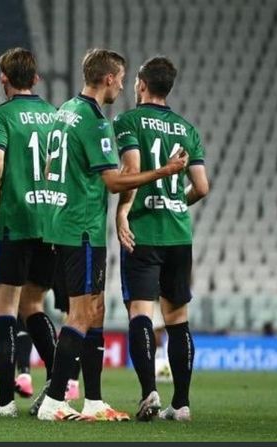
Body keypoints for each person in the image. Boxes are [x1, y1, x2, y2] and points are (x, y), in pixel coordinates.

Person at [36, 48, 188, 421]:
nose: (123, 85)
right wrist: (163, 172)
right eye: (120, 78)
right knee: (82, 313)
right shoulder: (93, 122)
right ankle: (55, 400)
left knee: (96, 311)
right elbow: (113, 180)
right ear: (108, 78)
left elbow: (49, 164)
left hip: (64, 223)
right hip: (82, 228)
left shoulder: (65, 111)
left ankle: (94, 401)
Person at [114, 56, 209, 421]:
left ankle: (148, 393)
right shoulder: (187, 129)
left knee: (140, 312)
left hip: (144, 232)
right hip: (178, 234)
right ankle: (181, 404)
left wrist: (123, 210)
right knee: (178, 318)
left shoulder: (127, 120)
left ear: (140, 83)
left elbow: (132, 170)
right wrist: (175, 202)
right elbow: (201, 187)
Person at [0, 47, 59, 417]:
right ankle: (57, 390)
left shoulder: (1, 115)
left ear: (3, 79)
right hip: (51, 222)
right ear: (36, 79)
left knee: (6, 309)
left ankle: (5, 401)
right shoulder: (56, 116)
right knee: (34, 306)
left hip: (15, 221)